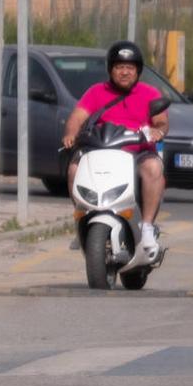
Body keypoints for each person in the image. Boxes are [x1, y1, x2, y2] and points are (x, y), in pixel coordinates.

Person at [61, 40, 169, 258]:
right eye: (119, 67)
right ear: (111, 69)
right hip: (102, 150)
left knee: (154, 168)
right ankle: (82, 216)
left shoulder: (150, 93)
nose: (125, 72)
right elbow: (77, 117)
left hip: (138, 151)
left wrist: (158, 131)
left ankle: (147, 227)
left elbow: (161, 122)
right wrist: (71, 134)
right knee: (74, 169)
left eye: (130, 68)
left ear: (137, 70)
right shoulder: (96, 92)